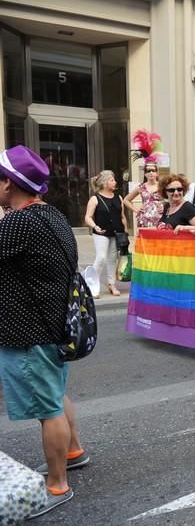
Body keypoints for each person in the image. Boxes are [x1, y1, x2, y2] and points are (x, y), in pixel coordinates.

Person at [0, 145, 89, 517]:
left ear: (7, 184)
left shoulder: (18, 223)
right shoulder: (51, 214)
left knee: (47, 406)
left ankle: (57, 484)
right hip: (54, 325)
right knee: (56, 392)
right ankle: (73, 451)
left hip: (28, 329)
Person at [84, 170, 127, 297]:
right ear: (104, 183)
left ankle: (111, 284)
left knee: (112, 259)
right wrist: (95, 226)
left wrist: (125, 230)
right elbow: (88, 217)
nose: (115, 182)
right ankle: (90, 284)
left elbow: (122, 216)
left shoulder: (119, 197)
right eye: (112, 180)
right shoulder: (95, 198)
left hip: (116, 232)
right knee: (101, 257)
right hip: (101, 232)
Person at [123, 162, 164, 230]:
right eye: (148, 171)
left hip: (160, 217)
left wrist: (165, 208)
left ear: (157, 173)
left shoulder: (162, 186)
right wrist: (136, 210)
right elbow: (126, 200)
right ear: (145, 174)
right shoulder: (141, 187)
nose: (151, 173)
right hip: (145, 219)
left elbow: (171, 199)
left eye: (153, 170)